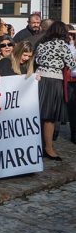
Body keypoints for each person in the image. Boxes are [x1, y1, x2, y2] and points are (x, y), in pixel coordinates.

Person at [34, 21, 76, 161]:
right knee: (50, 118)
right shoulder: (62, 45)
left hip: (40, 80)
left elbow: (37, 60)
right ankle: (49, 148)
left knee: (39, 114)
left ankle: (38, 146)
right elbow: (71, 64)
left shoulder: (41, 43)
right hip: (53, 80)